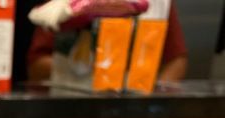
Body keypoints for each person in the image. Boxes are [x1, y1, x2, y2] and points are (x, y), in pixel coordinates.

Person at [27, 1, 188, 82]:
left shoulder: (159, 3)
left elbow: (176, 60)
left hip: (134, 112)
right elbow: (36, 66)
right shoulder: (62, 5)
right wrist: (80, 73)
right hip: (73, 113)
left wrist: (153, 104)